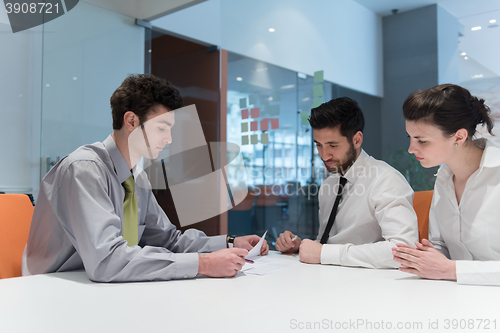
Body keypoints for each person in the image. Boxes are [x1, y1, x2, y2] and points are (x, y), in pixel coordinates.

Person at [23, 74, 268, 282]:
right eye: (162, 127)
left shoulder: (136, 176)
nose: (169, 138)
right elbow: (107, 261)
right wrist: (202, 264)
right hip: (54, 290)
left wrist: (228, 242)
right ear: (131, 121)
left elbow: (168, 240)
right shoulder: (84, 170)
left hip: (102, 288)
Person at [275, 97, 418, 268]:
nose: (324, 155)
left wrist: (323, 253)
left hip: (370, 286)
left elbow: (403, 250)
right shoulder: (329, 185)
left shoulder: (386, 180)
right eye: (319, 145)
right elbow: (326, 243)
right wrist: (299, 247)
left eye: (332, 145)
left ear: (357, 140)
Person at [392, 84, 500, 286]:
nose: (411, 149)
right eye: (411, 138)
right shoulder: (443, 179)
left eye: (421, 141)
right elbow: (440, 244)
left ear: (458, 137)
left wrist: (451, 269)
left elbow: (449, 268)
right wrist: (424, 258)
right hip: (450, 298)